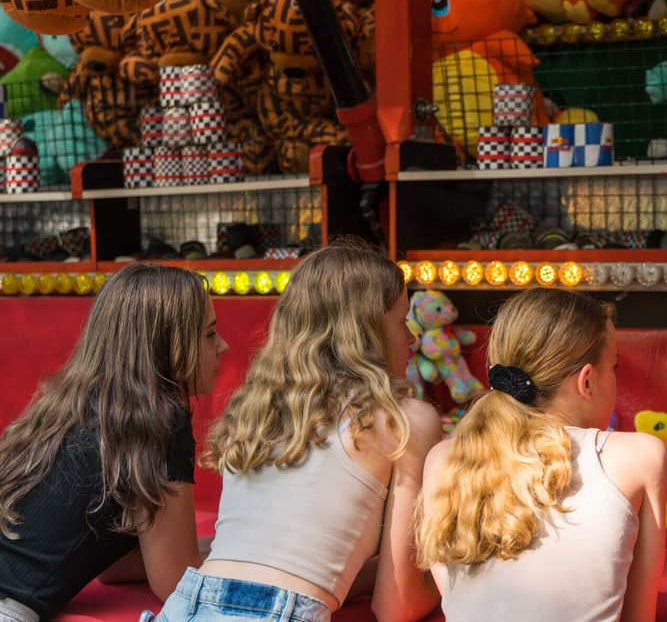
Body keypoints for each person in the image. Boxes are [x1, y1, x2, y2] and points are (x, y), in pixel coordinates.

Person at [157, 243, 441, 621]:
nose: (412, 338)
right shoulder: (404, 419)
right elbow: (396, 607)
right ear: (367, 329)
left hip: (187, 602)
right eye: (402, 320)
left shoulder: (255, 408)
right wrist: (450, 577)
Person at [417, 288, 667, 622]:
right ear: (588, 381)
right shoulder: (639, 457)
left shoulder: (444, 459)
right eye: (615, 367)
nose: (615, 379)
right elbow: (638, 617)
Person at [0, 264, 227, 622]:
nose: (223, 346)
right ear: (168, 345)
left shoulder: (75, 404)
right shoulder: (161, 419)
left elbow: (110, 566)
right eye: (210, 334)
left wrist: (214, 548)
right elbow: (175, 582)